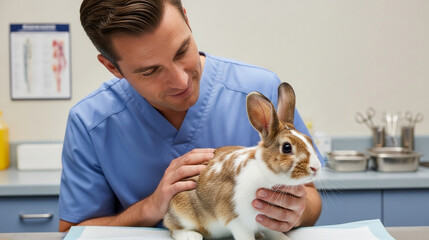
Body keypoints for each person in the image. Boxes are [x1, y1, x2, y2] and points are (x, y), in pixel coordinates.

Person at [59, 0, 324, 233]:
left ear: (186, 18)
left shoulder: (259, 89)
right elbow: (73, 232)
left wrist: (295, 211)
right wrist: (149, 207)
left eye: (182, 51)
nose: (181, 80)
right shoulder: (90, 124)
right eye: (151, 71)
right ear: (111, 67)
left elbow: (311, 198)